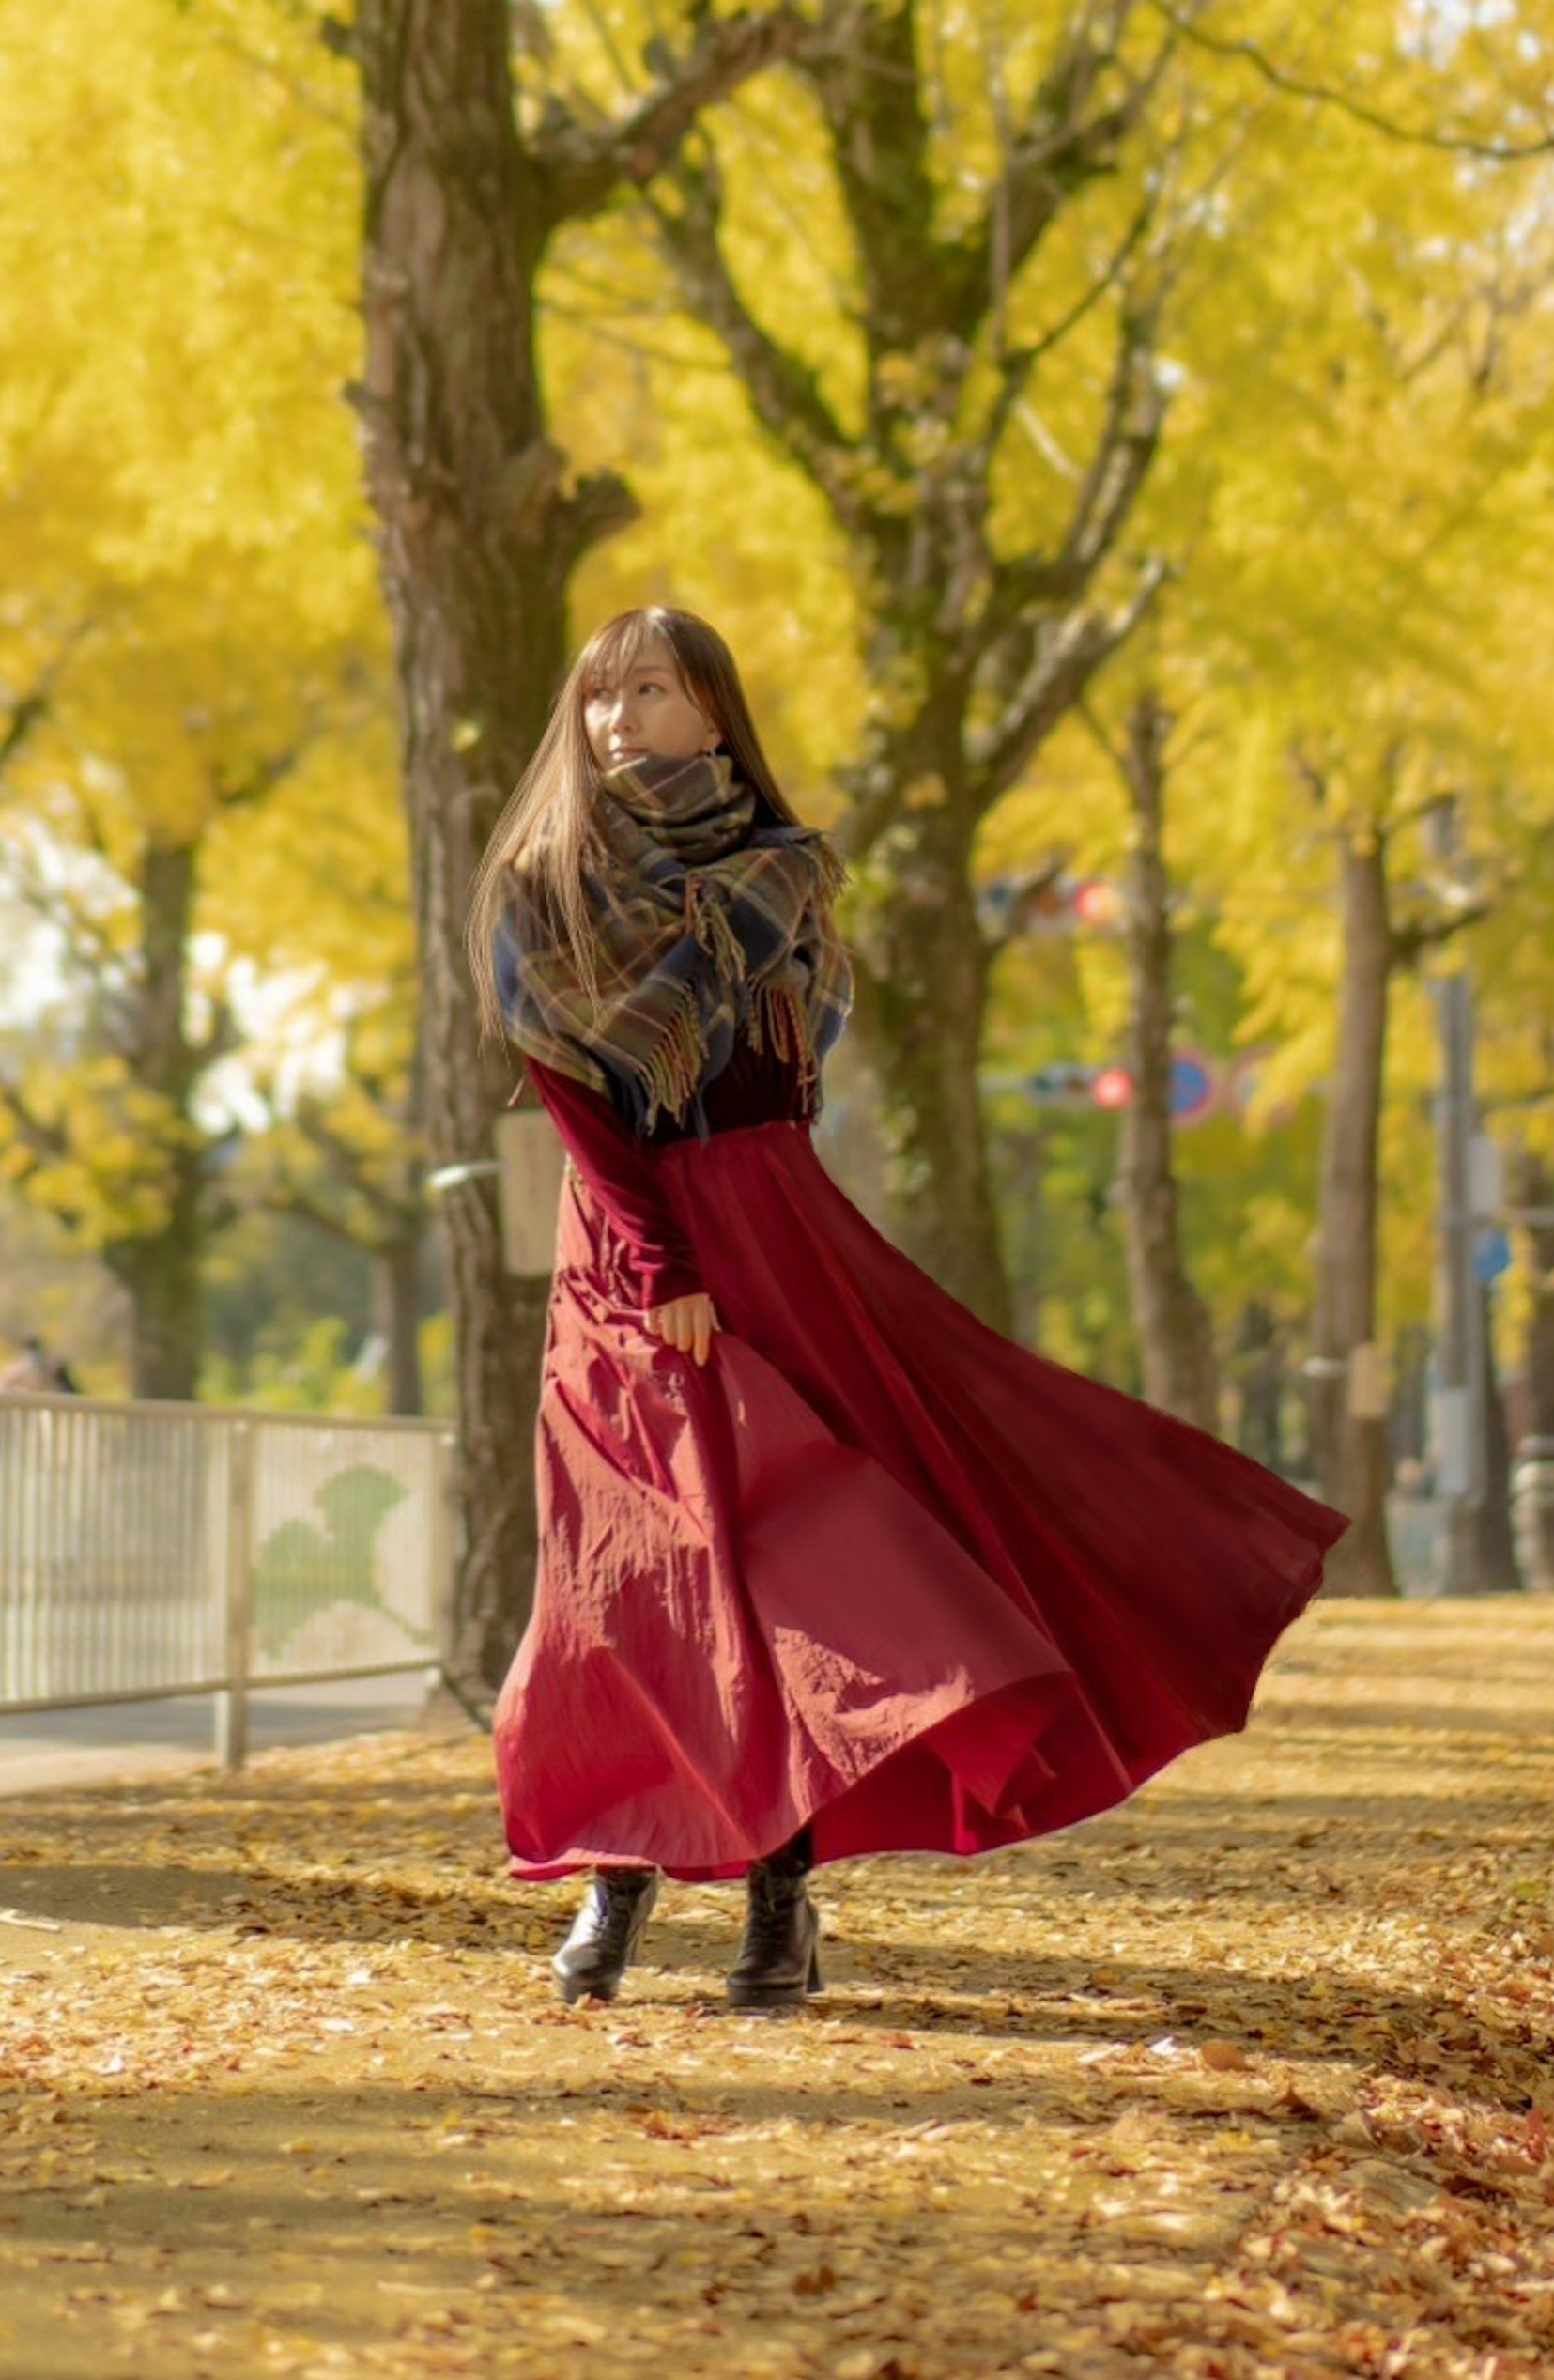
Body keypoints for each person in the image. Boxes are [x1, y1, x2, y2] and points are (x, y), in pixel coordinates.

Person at [476, 603, 1344, 2010]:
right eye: (599, 694)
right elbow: (580, 1103)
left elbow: (796, 1070)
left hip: (774, 1228)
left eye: (653, 687)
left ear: (716, 712)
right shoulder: (546, 885)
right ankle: (612, 1882)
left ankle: (780, 1898)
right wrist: (660, 1263)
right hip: (632, 1257)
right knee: (626, 1572)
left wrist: (733, 1237)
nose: (621, 716)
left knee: (799, 1567)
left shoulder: (785, 876)